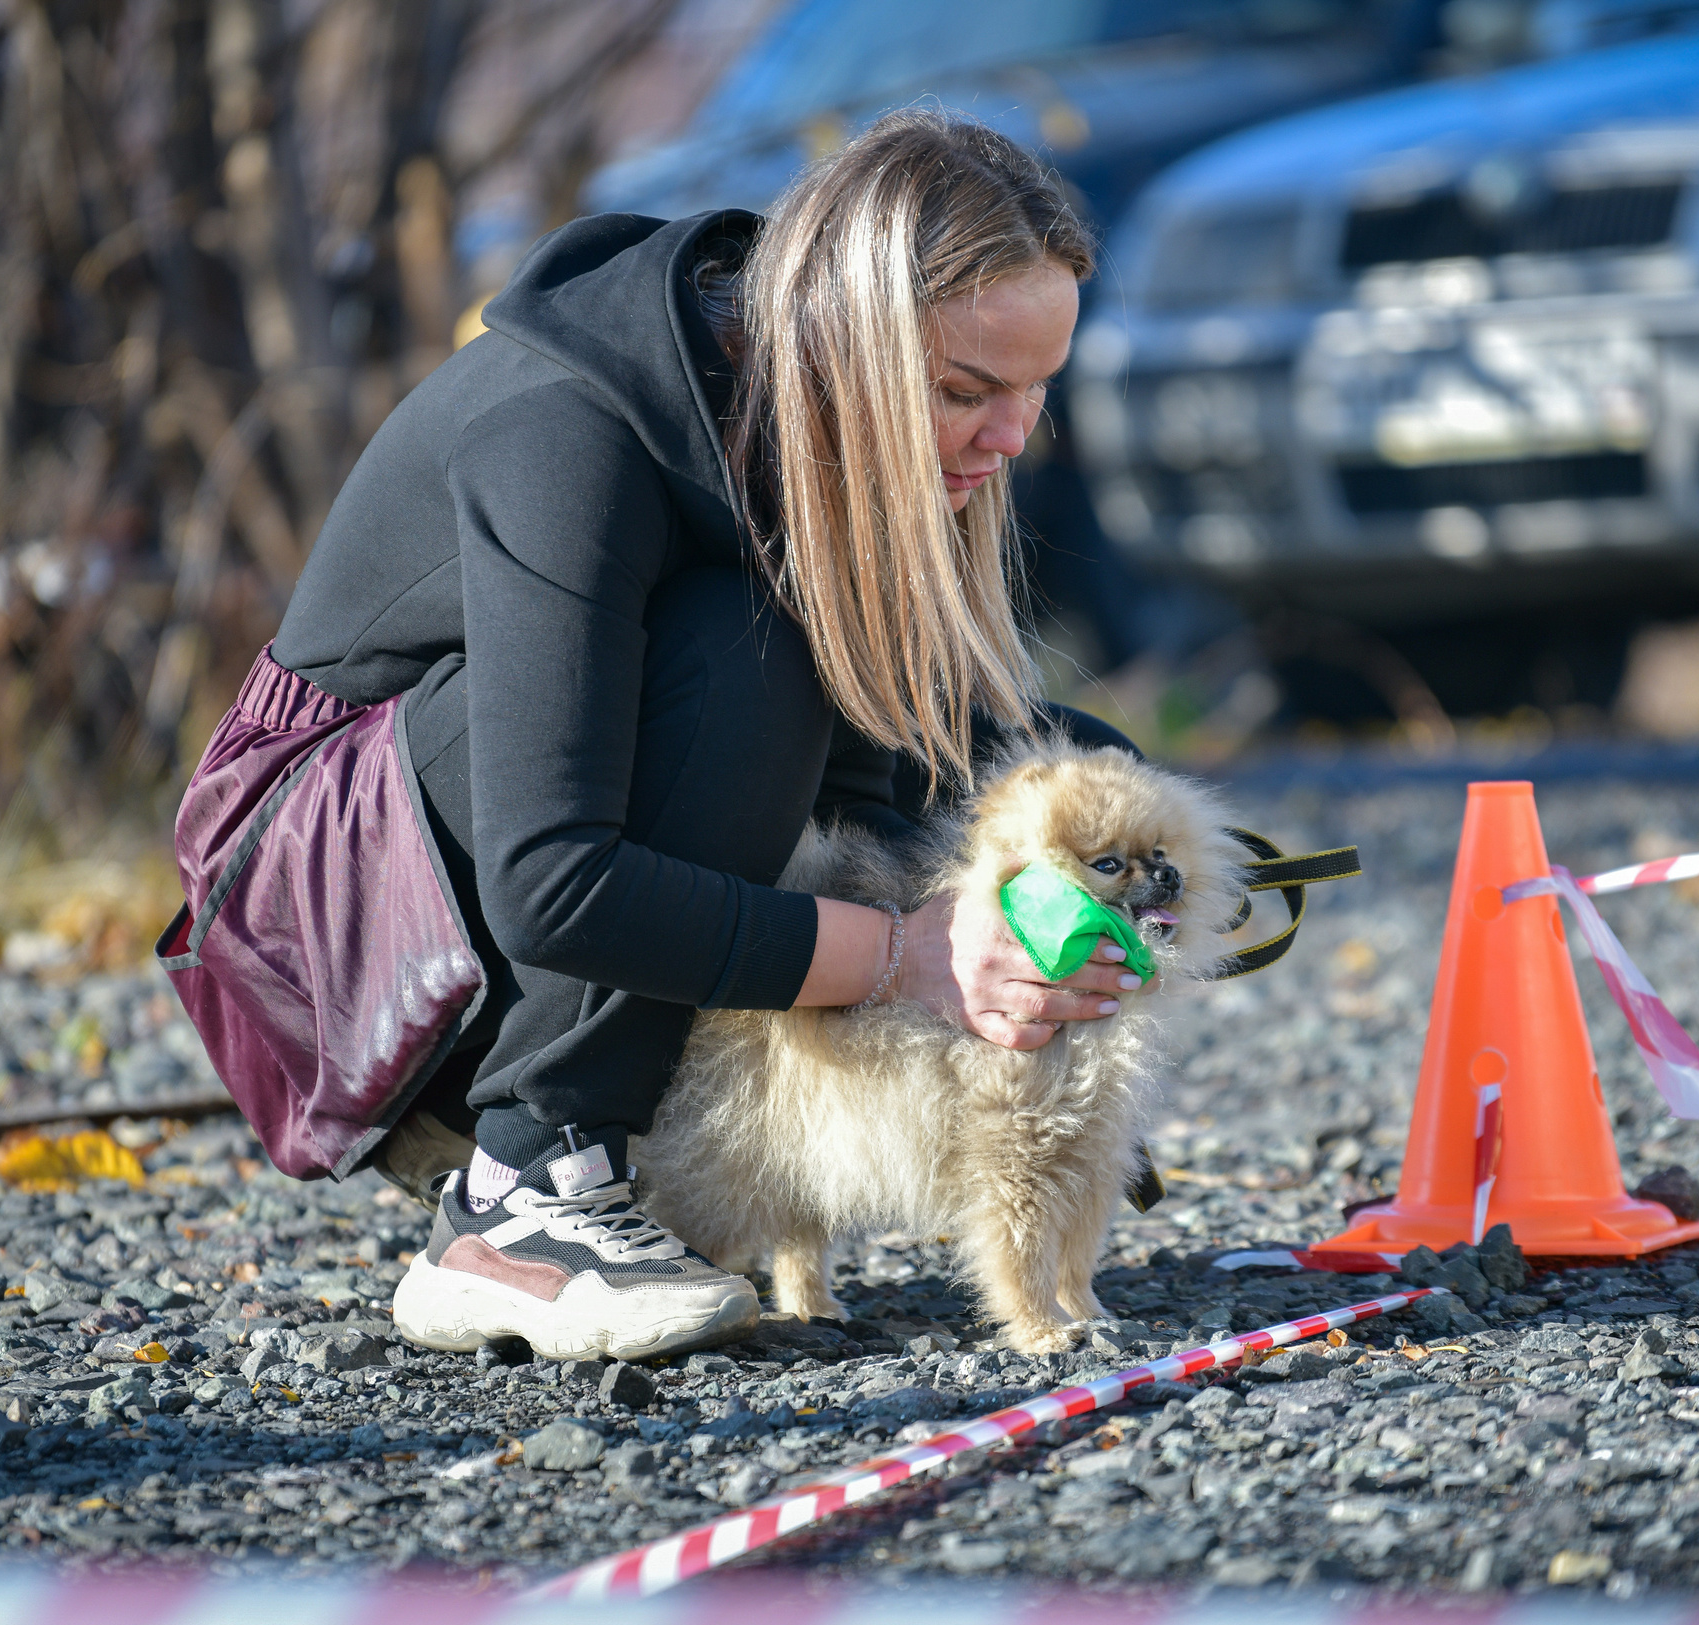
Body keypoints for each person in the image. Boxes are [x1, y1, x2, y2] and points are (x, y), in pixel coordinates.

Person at [167, 110, 1145, 1362]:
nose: (1011, 439)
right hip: (323, 934)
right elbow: (550, 884)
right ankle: (523, 1201)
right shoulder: (569, 436)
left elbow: (892, 766)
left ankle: (636, 1158)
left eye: (1033, 392)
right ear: (840, 337)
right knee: (754, 645)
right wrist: (901, 954)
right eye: (965, 391)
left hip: (468, 896)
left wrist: (1079, 900)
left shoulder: (809, 421)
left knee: (1051, 747)